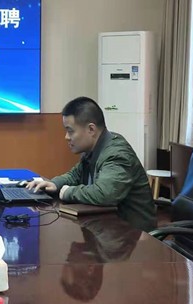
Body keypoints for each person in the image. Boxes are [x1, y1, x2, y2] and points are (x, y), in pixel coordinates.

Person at [27, 97, 156, 231]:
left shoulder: (117, 154)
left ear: (91, 129)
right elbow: (75, 175)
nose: (66, 137)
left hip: (133, 235)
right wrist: (55, 184)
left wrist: (67, 192)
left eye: (70, 131)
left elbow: (105, 194)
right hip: (107, 228)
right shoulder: (94, 147)